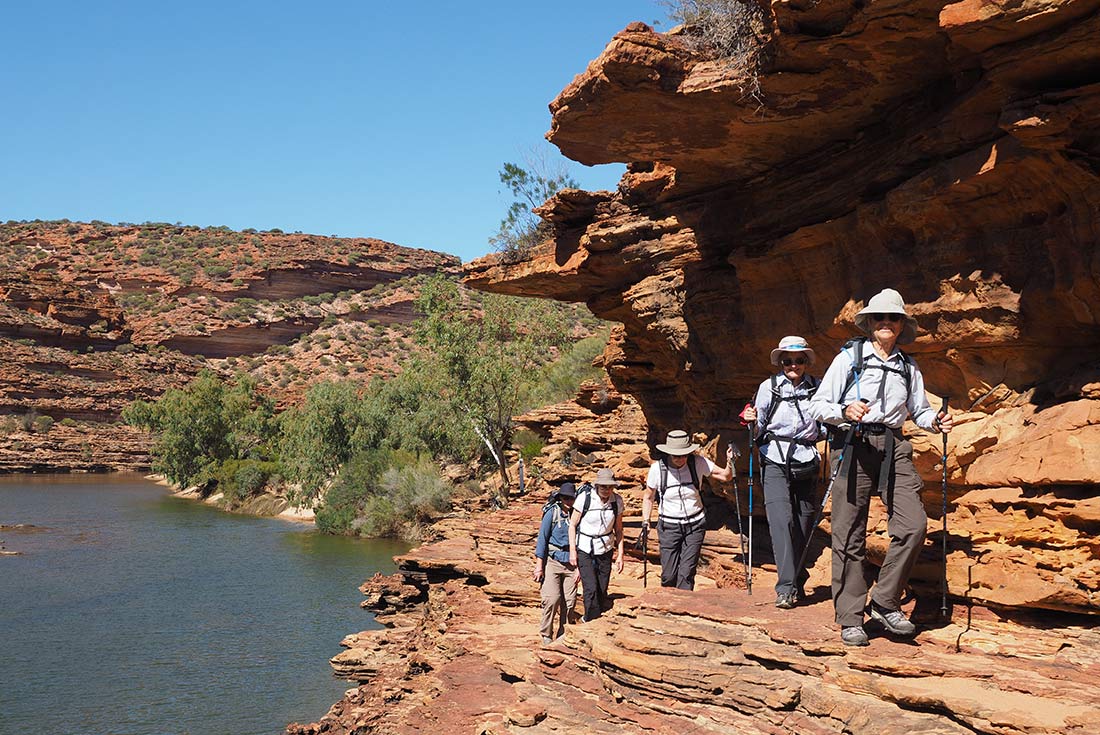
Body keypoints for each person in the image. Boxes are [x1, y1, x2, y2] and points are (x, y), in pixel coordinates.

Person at [808, 288, 952, 647]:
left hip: (894, 444)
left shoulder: (907, 365)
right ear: (870, 324)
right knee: (849, 532)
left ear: (902, 325)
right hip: (852, 443)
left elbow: (918, 411)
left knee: (914, 524)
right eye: (880, 318)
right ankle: (851, 617)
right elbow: (817, 404)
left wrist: (936, 422)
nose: (886, 323)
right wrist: (844, 411)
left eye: (893, 318)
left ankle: (885, 601)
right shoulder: (849, 358)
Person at [741, 336, 824, 609]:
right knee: (781, 520)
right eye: (787, 360)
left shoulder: (818, 388)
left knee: (803, 523)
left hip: (807, 460)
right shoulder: (769, 387)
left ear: (805, 362)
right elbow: (758, 426)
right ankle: (785, 588)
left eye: (799, 360)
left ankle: (797, 579)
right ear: (780, 362)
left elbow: (826, 423)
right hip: (774, 459)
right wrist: (750, 422)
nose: (793, 365)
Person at [640, 430, 734, 590]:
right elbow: (648, 497)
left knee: (687, 572)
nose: (680, 459)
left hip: (695, 525)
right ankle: (669, 606)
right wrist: (645, 521)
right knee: (669, 574)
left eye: (684, 454)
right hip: (669, 526)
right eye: (676, 455)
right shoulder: (657, 469)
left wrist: (730, 462)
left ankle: (684, 609)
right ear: (669, 453)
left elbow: (725, 476)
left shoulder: (697, 462)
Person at [569, 469, 625, 622]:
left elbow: (619, 529)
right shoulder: (585, 498)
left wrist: (620, 555)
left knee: (602, 587)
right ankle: (590, 619)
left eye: (609, 487)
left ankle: (596, 616)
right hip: (585, 548)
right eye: (603, 487)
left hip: (605, 547)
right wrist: (572, 551)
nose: (607, 490)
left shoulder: (617, 501)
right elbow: (572, 525)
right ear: (597, 486)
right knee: (590, 587)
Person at [533, 481, 579, 645]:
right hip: (552, 561)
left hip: (572, 563)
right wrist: (539, 566)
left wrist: (580, 568)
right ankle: (546, 633)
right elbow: (542, 540)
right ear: (560, 498)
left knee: (570, 601)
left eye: (571, 498)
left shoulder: (578, 514)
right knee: (552, 598)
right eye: (565, 498)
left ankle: (563, 633)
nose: (568, 501)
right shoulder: (552, 513)